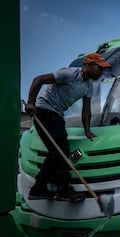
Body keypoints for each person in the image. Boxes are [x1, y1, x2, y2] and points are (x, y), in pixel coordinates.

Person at [25, 52, 111, 202]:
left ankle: (40, 187)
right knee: (61, 150)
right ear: (88, 65)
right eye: (99, 68)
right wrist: (31, 102)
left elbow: (86, 109)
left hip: (57, 114)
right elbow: (38, 79)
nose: (101, 72)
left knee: (57, 151)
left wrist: (87, 130)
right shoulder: (69, 74)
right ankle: (63, 189)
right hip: (44, 110)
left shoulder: (89, 86)